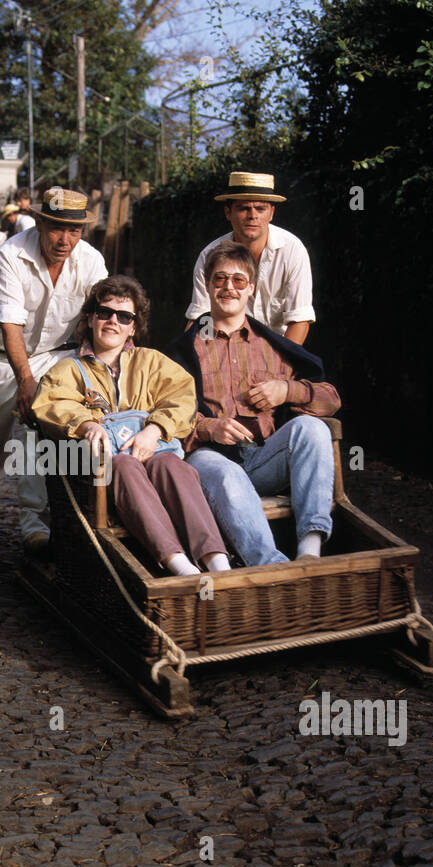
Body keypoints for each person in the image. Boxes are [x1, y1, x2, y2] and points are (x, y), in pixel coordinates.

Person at [32, 278, 232, 576]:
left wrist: (154, 430)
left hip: (153, 456)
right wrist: (86, 424)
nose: (113, 321)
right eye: (104, 312)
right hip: (99, 475)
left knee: (171, 464)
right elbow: (53, 403)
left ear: (133, 327)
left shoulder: (151, 362)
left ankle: (217, 561)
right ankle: (178, 564)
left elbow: (182, 397)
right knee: (123, 464)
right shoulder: (68, 370)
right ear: (90, 318)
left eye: (124, 316)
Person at [167, 240, 341, 567]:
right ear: (207, 285)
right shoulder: (181, 351)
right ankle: (270, 566)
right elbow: (162, 415)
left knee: (311, 428)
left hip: (263, 459)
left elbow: (331, 399)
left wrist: (288, 390)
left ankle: (309, 551)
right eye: (219, 279)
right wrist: (207, 427)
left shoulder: (273, 346)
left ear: (252, 289)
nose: (228, 288)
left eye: (238, 280)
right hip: (208, 461)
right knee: (226, 472)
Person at [0, 187, 108, 552]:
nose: (65, 240)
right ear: (41, 222)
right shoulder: (12, 252)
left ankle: (35, 523)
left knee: (40, 434)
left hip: (56, 356)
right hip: (1, 356)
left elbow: (102, 315)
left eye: (74, 231)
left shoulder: (91, 260)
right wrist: (25, 379)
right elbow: (10, 323)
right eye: (57, 229)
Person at [184, 171, 315, 345]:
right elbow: (202, 318)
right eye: (243, 208)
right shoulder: (209, 255)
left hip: (280, 351)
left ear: (271, 213)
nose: (253, 215)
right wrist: (201, 360)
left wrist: (281, 367)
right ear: (228, 212)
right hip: (227, 350)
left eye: (261, 208)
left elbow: (300, 319)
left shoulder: (292, 250)